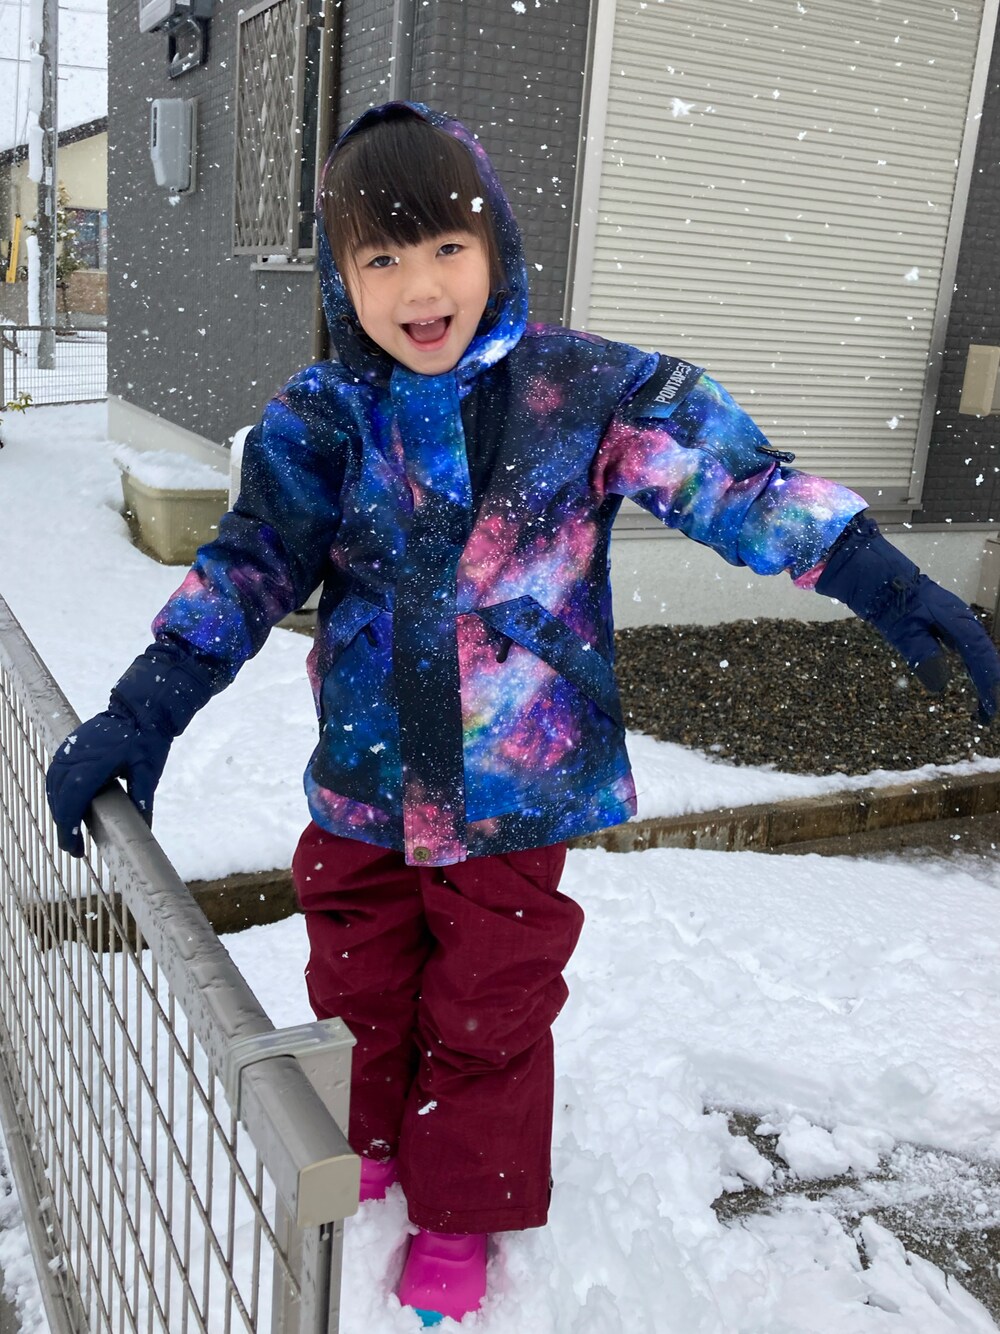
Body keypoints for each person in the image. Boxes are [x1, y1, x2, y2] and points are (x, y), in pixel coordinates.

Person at [46, 102, 1000, 1326]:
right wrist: (145, 708)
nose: (419, 287)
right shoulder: (323, 417)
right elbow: (248, 568)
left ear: (495, 244)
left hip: (514, 790)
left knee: (489, 1007)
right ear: (341, 277)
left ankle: (460, 1207)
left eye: (445, 245)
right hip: (367, 779)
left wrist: (883, 577)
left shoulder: (582, 390)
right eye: (380, 257)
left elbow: (736, 481)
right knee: (356, 977)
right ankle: (367, 1140)